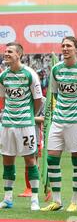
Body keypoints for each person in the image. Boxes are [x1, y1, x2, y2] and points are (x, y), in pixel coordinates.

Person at [41, 37, 77, 212]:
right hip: (58, 120)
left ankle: (74, 202)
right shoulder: (56, 69)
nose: (65, 48)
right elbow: (55, 94)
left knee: (76, 159)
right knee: (51, 158)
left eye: (68, 46)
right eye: (63, 46)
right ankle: (57, 200)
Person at [0, 42, 43, 211]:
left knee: (30, 160)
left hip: (25, 124)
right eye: (5, 51)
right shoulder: (3, 76)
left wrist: (30, 116)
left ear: (19, 54)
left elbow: (38, 99)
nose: (6, 53)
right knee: (7, 160)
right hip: (7, 124)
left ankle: (34, 199)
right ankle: (7, 198)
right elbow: (3, 98)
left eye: (10, 51)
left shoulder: (30, 74)